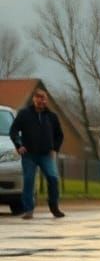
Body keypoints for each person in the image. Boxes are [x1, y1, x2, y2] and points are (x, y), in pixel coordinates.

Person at [9, 87, 65, 219]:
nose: (41, 101)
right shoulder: (24, 114)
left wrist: (55, 149)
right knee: (29, 180)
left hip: (46, 155)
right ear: (33, 99)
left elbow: (59, 135)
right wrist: (19, 145)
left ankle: (54, 206)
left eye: (43, 98)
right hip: (29, 154)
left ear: (46, 100)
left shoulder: (52, 117)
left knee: (53, 178)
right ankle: (28, 209)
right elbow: (14, 131)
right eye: (38, 98)